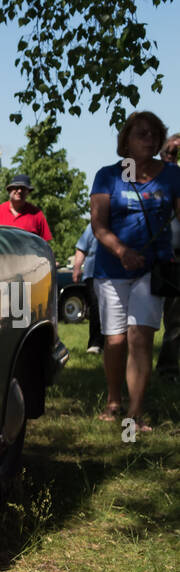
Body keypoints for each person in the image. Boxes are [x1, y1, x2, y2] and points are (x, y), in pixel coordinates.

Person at [90, 111, 180, 429]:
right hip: (112, 268)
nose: (149, 139)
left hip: (152, 269)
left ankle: (135, 414)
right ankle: (114, 399)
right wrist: (121, 250)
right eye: (141, 133)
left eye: (154, 134)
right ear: (126, 139)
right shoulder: (109, 176)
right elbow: (98, 224)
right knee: (115, 341)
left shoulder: (171, 175)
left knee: (139, 338)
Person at [158, 134, 180, 382]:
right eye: (172, 152)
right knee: (167, 316)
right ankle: (167, 369)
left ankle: (169, 367)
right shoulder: (159, 178)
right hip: (165, 256)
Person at [0, 174, 53, 242]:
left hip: (28, 253)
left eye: (23, 188)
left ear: (28, 192)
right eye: (16, 187)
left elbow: (45, 244)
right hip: (0, 253)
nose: (19, 191)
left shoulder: (37, 214)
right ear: (10, 190)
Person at [72, 223, 104, 353]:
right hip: (93, 273)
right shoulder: (93, 226)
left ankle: (111, 343)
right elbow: (81, 248)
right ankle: (95, 343)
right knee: (96, 307)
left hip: (115, 274)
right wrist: (77, 268)